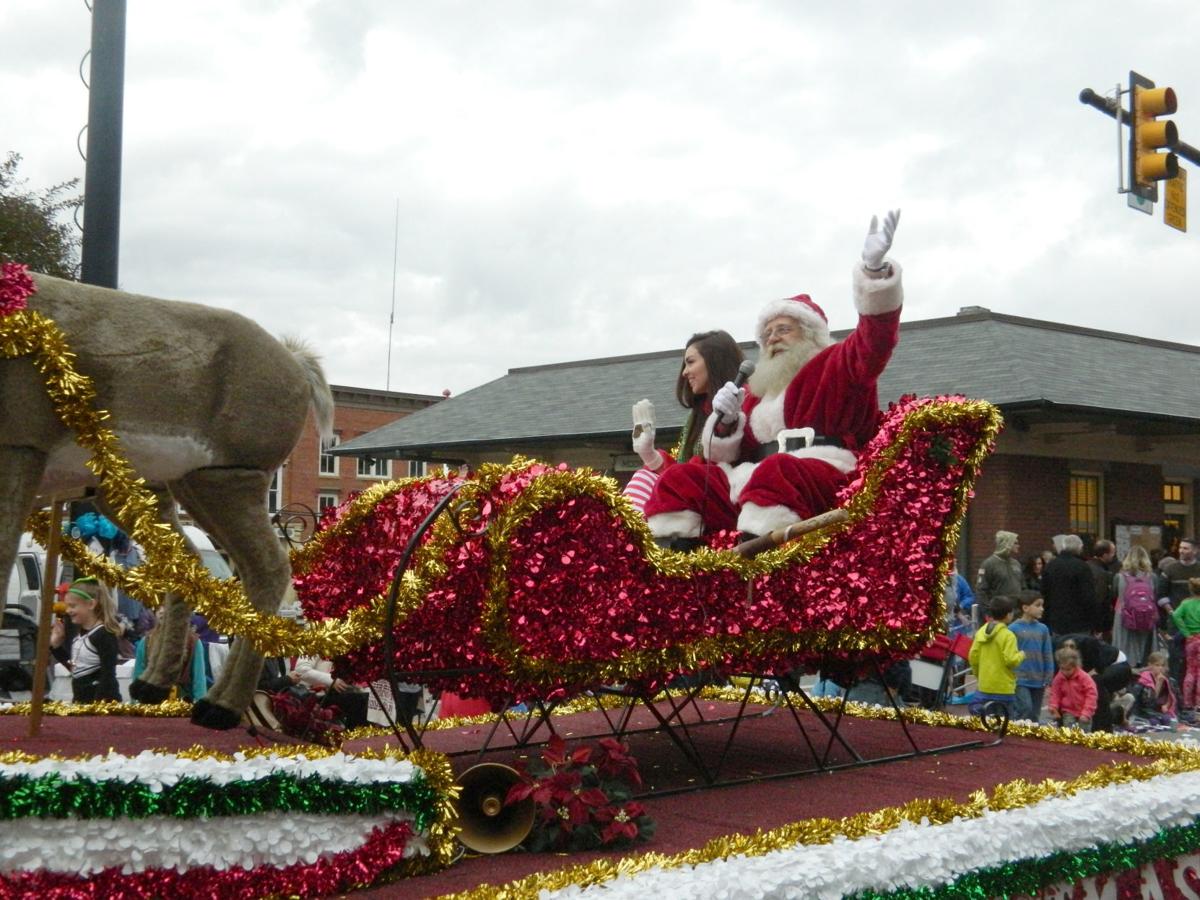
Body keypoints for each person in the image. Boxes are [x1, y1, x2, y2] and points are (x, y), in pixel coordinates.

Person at [644, 210, 903, 542]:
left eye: (783, 329)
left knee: (776, 472)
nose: (773, 338)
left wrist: (874, 273)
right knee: (685, 477)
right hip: (755, 481)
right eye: (767, 334)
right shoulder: (757, 392)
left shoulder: (836, 364)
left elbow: (875, 340)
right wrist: (725, 424)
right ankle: (675, 554)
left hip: (819, 473)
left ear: (810, 334)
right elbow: (731, 454)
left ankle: (756, 561)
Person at [623, 331, 745, 513]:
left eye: (690, 362)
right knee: (643, 477)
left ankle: (627, 538)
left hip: (730, 504)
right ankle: (627, 537)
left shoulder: (746, 403)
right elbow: (684, 478)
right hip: (695, 505)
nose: (684, 372)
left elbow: (700, 476)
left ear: (715, 362)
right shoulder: (696, 416)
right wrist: (650, 456)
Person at [48, 577, 123, 703]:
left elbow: (108, 675)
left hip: (100, 705)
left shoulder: (104, 634)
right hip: (81, 703)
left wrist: (98, 706)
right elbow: (76, 669)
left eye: (72, 606)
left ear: (91, 604)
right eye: (67, 606)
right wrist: (56, 647)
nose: (68, 611)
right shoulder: (80, 635)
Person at [967, 595, 1025, 718]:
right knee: (1005, 724)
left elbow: (973, 656)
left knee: (985, 722)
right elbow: (1010, 660)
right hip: (1003, 688)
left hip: (984, 686)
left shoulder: (981, 632)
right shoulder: (1008, 635)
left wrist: (979, 675)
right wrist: (1021, 655)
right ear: (1009, 615)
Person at [1008, 591, 1054, 723]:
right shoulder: (1013, 629)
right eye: (1038, 605)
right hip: (1020, 678)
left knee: (1034, 714)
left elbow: (1047, 653)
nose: (1042, 609)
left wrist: (1048, 675)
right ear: (1025, 608)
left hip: (1038, 678)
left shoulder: (1043, 629)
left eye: (1042, 605)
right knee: (1024, 708)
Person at [1041, 535, 1099, 637]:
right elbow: (1088, 596)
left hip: (1056, 619)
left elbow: (1044, 592)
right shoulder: (1082, 567)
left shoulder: (1051, 566)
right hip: (1079, 621)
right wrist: (1094, 621)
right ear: (1079, 548)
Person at [1112, 545, 1159, 668]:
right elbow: (1156, 596)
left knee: (1125, 644)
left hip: (1124, 615)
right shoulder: (1152, 577)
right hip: (1147, 615)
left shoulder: (1119, 577)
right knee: (1145, 645)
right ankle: (1145, 669)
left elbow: (1114, 595)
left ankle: (1125, 668)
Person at [975, 531, 1024, 623]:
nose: (1018, 546)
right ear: (1007, 544)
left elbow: (1022, 586)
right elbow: (981, 590)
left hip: (1016, 613)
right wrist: (988, 612)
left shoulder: (1016, 563)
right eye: (1015, 543)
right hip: (998, 614)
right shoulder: (989, 564)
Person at [1048, 646, 1098, 732]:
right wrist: (1054, 706)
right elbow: (1055, 693)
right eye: (1062, 669)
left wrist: (1087, 712)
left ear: (1075, 666)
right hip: (1068, 711)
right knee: (1069, 732)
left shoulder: (1084, 678)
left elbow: (1091, 695)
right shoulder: (1059, 678)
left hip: (1084, 710)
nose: (1065, 672)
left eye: (1068, 669)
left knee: (1083, 734)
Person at [1171, 577, 1200, 713]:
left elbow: (1176, 615)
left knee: (1190, 670)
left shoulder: (1186, 603)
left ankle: (1187, 702)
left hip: (1191, 640)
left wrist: (1186, 632)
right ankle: (1199, 702)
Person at [1130, 650, 1179, 727]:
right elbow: (1148, 702)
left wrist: (1166, 705)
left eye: (1162, 665)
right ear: (1150, 665)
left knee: (1167, 720)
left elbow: (1169, 697)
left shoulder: (1166, 679)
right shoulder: (1144, 680)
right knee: (1154, 722)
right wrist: (1158, 685)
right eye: (1157, 665)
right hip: (1145, 710)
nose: (1160, 668)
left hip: (1159, 710)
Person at [1086, 539, 1117, 634]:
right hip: (1098, 622)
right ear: (1104, 555)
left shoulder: (1086, 566)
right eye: (1112, 553)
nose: (1114, 555)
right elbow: (1100, 599)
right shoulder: (1102, 574)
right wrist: (1099, 628)